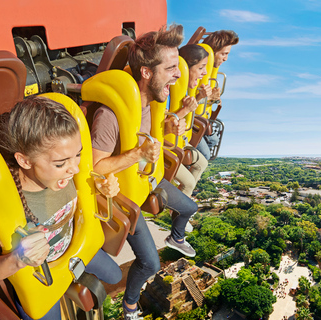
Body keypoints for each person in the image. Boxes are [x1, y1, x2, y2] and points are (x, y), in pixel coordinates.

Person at [0, 96, 122, 320]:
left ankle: (68, 283)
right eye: (61, 163)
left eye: (77, 155)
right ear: (25, 161)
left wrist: (102, 189)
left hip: (75, 249)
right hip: (40, 276)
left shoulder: (68, 175)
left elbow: (84, 198)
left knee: (115, 276)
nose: (75, 170)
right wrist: (19, 259)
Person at [91, 24, 198, 320]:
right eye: (171, 68)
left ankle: (175, 236)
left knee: (191, 206)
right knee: (150, 264)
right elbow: (95, 167)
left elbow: (148, 142)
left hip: (147, 181)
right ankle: (130, 305)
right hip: (125, 197)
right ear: (147, 73)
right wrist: (136, 154)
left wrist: (170, 126)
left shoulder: (152, 105)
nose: (178, 75)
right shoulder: (110, 116)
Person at [171, 44, 215, 197]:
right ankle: (181, 209)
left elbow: (188, 110)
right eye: (201, 68)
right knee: (189, 183)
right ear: (186, 68)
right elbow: (164, 119)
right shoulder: (170, 90)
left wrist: (199, 97)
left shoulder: (185, 89)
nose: (204, 73)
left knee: (202, 162)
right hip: (168, 144)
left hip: (180, 140)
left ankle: (183, 201)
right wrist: (186, 109)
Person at [195, 30, 239, 160]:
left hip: (201, 118)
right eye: (224, 54)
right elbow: (187, 99)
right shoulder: (195, 71)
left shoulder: (211, 72)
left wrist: (214, 100)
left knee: (213, 140)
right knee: (206, 155)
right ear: (212, 52)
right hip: (191, 120)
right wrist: (208, 98)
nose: (225, 59)